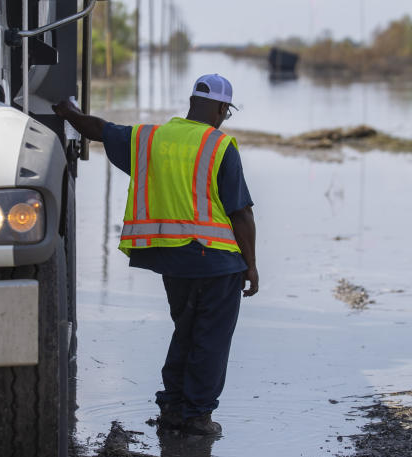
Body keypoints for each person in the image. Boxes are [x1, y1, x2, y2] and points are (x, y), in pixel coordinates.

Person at [52, 74, 258, 436]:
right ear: (223, 109)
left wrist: (68, 111)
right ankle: (196, 415)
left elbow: (98, 129)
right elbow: (240, 212)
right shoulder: (219, 145)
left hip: (173, 263)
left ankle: (173, 409)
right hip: (217, 262)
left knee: (186, 330)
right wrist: (252, 266)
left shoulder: (148, 139)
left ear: (192, 102)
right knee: (210, 339)